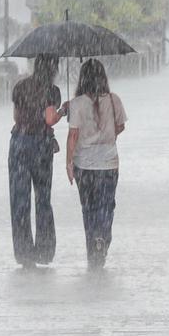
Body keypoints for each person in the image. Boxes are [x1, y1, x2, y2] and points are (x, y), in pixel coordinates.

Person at [66, 58, 127, 269]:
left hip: (84, 164)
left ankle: (92, 245)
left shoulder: (77, 103)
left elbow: (73, 135)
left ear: (82, 79)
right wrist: (106, 134)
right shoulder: (113, 100)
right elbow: (120, 127)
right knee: (107, 205)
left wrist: (68, 163)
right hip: (109, 162)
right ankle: (103, 239)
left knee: (88, 207)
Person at [9, 53, 64, 268]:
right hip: (40, 144)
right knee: (43, 199)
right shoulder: (52, 91)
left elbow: (16, 117)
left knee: (19, 201)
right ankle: (43, 250)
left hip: (19, 144)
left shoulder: (20, 87)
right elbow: (50, 118)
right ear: (53, 68)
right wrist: (62, 112)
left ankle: (24, 255)